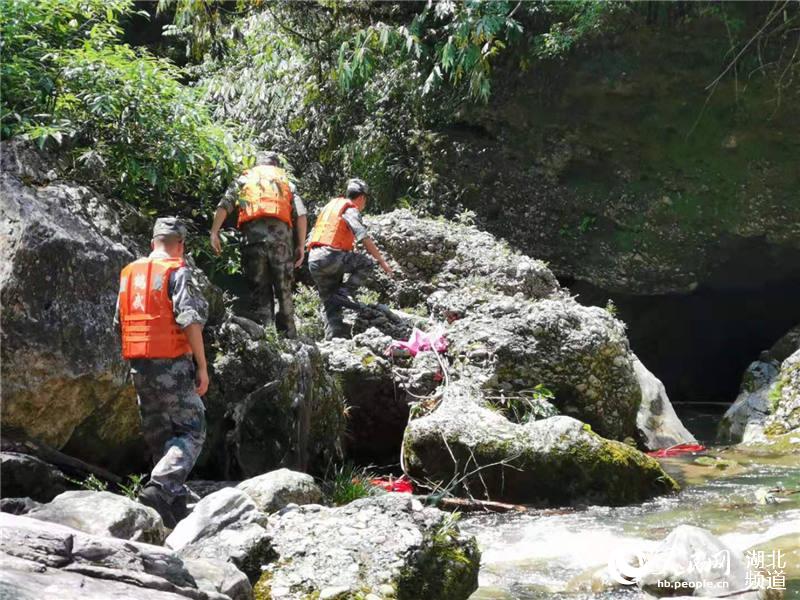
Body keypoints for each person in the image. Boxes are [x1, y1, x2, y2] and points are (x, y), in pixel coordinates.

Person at [115, 217, 208, 528]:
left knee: (159, 433)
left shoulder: (129, 273)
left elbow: (119, 322)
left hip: (138, 363)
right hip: (171, 363)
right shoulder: (177, 270)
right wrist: (202, 366)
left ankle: (170, 506)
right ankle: (159, 489)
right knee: (192, 430)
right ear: (180, 245)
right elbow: (189, 319)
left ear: (152, 242)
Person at [209, 151, 307, 337]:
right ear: (276, 165)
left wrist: (214, 232)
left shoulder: (245, 178)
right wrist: (300, 245)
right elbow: (301, 214)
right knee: (283, 287)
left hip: (252, 241)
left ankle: (267, 334)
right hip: (281, 242)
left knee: (259, 288)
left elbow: (225, 204)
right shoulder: (285, 181)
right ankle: (289, 336)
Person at [306, 178, 393, 339]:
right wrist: (382, 262)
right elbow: (363, 236)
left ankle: (334, 338)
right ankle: (344, 292)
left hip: (314, 260)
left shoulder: (329, 208)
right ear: (362, 198)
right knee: (366, 264)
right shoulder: (350, 209)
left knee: (330, 301)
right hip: (331, 256)